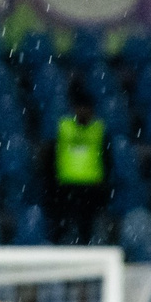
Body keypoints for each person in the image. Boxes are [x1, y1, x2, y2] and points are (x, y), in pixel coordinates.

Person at [47, 88, 106, 246]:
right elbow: (51, 156)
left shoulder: (99, 129)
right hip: (65, 188)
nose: (83, 112)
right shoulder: (64, 126)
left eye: (86, 108)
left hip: (91, 189)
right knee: (62, 230)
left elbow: (107, 158)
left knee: (86, 231)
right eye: (80, 108)